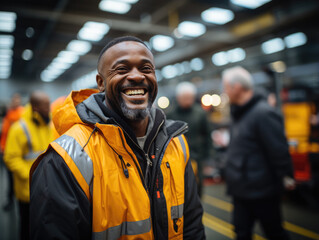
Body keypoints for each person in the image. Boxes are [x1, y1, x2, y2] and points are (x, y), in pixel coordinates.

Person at [30, 36, 205, 240]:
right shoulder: (68, 159)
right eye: (122, 69)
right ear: (101, 83)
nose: (137, 76)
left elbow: (192, 225)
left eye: (146, 69)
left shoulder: (176, 144)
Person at [222, 66, 295, 240]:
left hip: (262, 190)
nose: (225, 92)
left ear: (237, 87)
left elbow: (278, 150)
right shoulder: (238, 114)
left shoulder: (263, 113)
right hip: (241, 189)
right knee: (241, 233)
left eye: (226, 87)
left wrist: (286, 177)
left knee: (274, 233)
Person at [4, 91, 53, 240]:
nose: (49, 109)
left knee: (44, 227)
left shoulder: (48, 125)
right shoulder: (19, 128)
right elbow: (10, 158)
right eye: (46, 106)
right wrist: (31, 176)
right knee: (27, 227)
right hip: (27, 191)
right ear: (35, 108)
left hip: (47, 187)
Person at [167, 81, 212, 197]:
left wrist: (209, 159)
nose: (188, 100)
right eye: (185, 97)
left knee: (197, 189)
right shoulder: (171, 114)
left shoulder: (200, 113)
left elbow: (207, 135)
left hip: (197, 157)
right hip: (177, 158)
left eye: (190, 97)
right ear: (178, 98)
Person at [0, 93, 24, 211]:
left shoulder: (22, 113)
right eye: (13, 100)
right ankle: (10, 201)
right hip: (5, 150)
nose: (15, 102)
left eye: (17, 100)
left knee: (16, 179)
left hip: (16, 152)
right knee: (9, 178)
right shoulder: (8, 113)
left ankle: (18, 201)